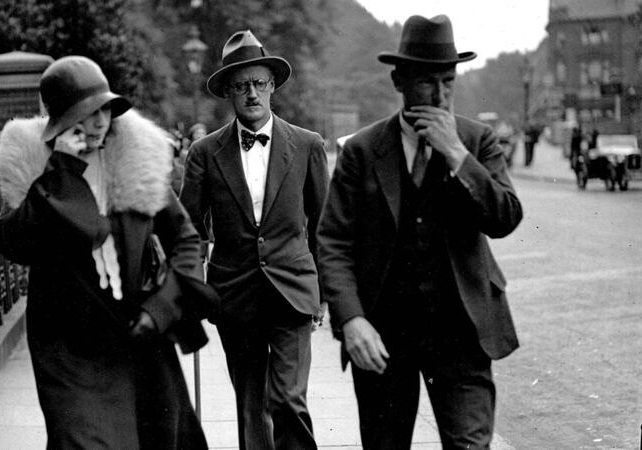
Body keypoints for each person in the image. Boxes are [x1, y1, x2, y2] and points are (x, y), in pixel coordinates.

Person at [316, 15, 523, 449]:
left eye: (449, 81)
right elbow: (333, 241)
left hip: (462, 334)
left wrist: (457, 154)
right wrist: (351, 319)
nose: (442, 95)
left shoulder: (477, 140)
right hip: (384, 335)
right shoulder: (362, 151)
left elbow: (505, 218)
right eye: (428, 82)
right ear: (400, 80)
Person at [0, 55, 217, 449]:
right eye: (86, 113)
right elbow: (13, 243)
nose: (98, 122)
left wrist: (161, 308)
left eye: (105, 110)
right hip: (69, 349)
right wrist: (61, 171)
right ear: (61, 120)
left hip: (139, 337)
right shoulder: (39, 172)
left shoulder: (134, 162)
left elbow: (184, 240)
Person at [179, 30, 329, 450]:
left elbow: (324, 225)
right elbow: (188, 228)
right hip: (234, 295)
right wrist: (191, 285)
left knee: (288, 400)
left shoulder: (307, 146)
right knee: (251, 406)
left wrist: (325, 292)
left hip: (293, 290)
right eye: (241, 85)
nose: (251, 93)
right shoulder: (205, 152)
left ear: (273, 86)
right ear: (228, 91)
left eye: (259, 83)